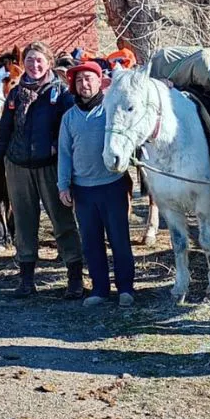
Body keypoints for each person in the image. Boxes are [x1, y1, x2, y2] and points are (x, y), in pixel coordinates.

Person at [0, 41, 84, 299]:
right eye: (29, 61)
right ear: (23, 63)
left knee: (62, 222)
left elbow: (70, 129)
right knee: (24, 224)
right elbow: (4, 132)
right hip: (17, 166)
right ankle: (26, 280)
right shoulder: (15, 94)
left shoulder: (61, 93)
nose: (34, 65)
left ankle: (74, 278)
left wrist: (55, 147)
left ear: (48, 62)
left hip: (50, 167)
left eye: (39, 60)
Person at [57, 61, 135, 307]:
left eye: (89, 79)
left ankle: (126, 289)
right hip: (83, 191)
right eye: (79, 80)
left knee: (119, 239)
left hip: (112, 185)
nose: (84, 84)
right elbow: (64, 153)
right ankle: (100, 289)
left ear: (100, 81)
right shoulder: (69, 117)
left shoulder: (110, 110)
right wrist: (63, 185)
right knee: (91, 243)